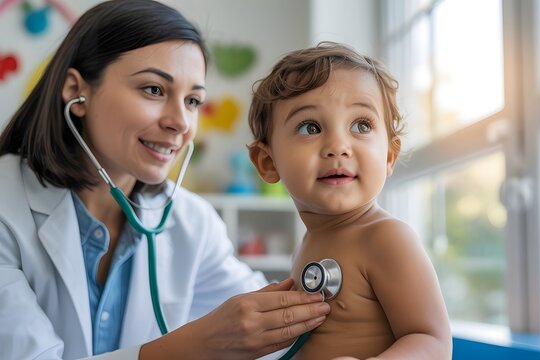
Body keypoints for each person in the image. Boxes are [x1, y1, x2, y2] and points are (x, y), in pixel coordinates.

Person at [0, 1, 330, 359]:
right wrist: (193, 347)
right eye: (154, 90)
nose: (181, 122)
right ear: (75, 91)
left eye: (192, 101)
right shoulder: (7, 203)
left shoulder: (191, 222)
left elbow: (276, 335)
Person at [248, 42, 452, 359]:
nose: (339, 146)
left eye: (361, 125)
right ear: (268, 162)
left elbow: (432, 342)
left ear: (388, 155)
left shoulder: (386, 238)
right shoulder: (308, 244)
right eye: (310, 127)